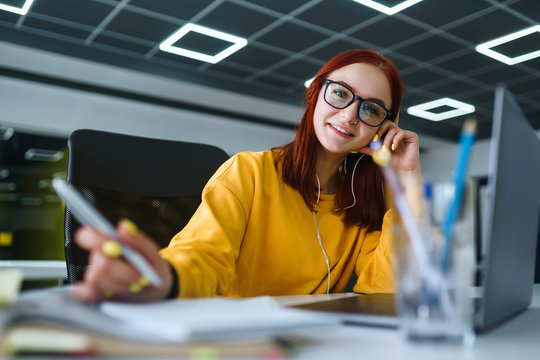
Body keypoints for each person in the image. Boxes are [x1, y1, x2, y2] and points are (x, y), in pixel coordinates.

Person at [72, 49, 420, 303]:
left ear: (383, 127)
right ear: (315, 93)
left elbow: (384, 289)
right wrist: (167, 278)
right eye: (341, 94)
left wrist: (409, 179)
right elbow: (204, 254)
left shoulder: (365, 205)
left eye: (370, 109)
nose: (349, 116)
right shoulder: (248, 172)